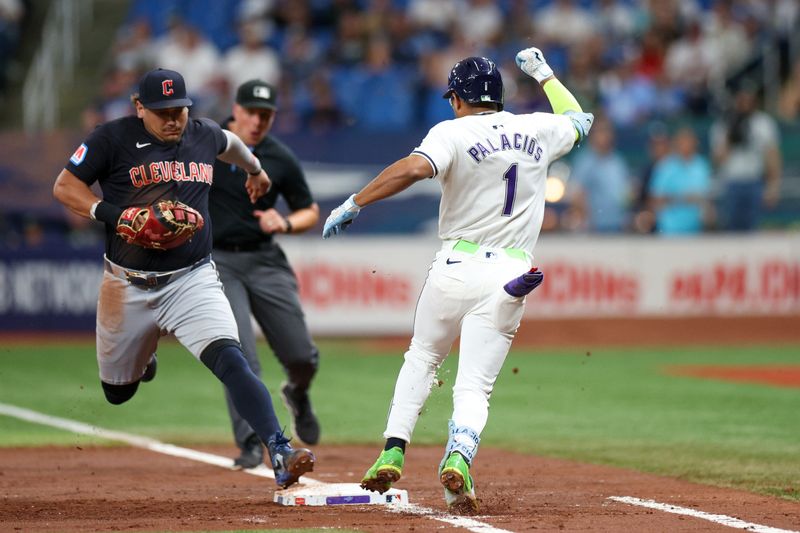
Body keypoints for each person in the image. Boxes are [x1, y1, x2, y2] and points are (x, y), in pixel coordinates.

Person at [322, 49, 593, 513]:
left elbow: (411, 169)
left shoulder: (451, 131)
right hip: (512, 273)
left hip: (456, 265)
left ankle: (393, 448)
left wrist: (354, 202)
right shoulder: (536, 128)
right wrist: (545, 74)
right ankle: (460, 456)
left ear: (458, 98)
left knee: (424, 356)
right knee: (474, 386)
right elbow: (578, 118)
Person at [52, 68, 314, 489]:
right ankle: (143, 357)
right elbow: (65, 187)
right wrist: (118, 215)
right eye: (162, 112)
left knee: (233, 360)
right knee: (117, 393)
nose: (173, 119)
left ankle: (279, 450)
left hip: (191, 280)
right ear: (139, 108)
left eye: (179, 110)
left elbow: (234, 146)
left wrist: (256, 171)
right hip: (127, 284)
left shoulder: (203, 134)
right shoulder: (110, 138)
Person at [209, 79, 321, 469]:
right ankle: (252, 443)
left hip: (265, 258)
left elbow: (309, 209)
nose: (258, 121)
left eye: (267, 115)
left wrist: (286, 223)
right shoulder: (208, 146)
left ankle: (298, 391)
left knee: (301, 355)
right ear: (235, 109)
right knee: (237, 354)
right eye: (252, 112)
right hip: (218, 263)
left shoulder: (279, 156)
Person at [710, 84, 782, 231]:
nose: (744, 102)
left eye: (748, 98)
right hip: (731, 182)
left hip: (755, 181)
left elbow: (772, 156)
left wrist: (773, 186)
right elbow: (717, 160)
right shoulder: (724, 123)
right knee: (731, 228)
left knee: (753, 228)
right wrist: (731, 136)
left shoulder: (763, 123)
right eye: (741, 98)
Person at [568, 117, 631, 232]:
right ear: (592, 135)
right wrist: (586, 220)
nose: (605, 135)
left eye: (608, 131)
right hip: (595, 228)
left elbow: (625, 192)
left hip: (618, 224)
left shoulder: (617, 160)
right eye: (601, 131)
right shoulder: (585, 161)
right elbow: (576, 193)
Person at [650, 127, 712, 235]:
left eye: (689, 141)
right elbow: (655, 199)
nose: (686, 145)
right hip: (670, 230)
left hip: (696, 230)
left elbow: (708, 195)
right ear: (677, 144)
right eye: (683, 142)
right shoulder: (666, 166)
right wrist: (681, 198)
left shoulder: (701, 165)